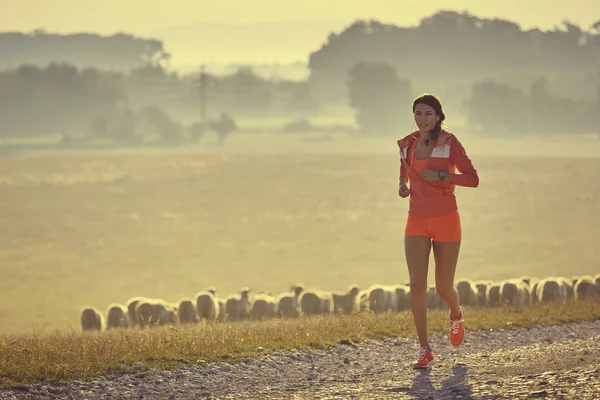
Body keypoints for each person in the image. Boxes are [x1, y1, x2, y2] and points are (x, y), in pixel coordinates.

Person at [397, 93, 479, 369]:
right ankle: (425, 349)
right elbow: (404, 171)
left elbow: (473, 178)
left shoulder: (449, 142)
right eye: (418, 114)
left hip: (446, 219)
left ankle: (455, 313)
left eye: (428, 114)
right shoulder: (408, 144)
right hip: (416, 220)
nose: (422, 119)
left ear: (439, 116)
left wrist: (444, 176)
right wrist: (401, 185)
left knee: (444, 287)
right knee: (417, 283)